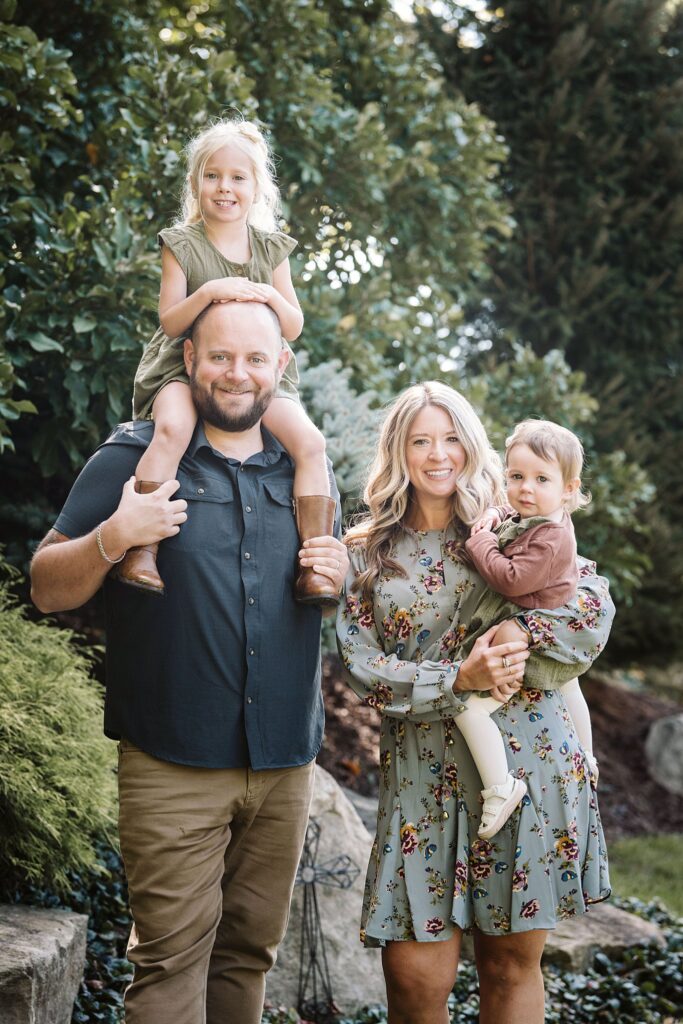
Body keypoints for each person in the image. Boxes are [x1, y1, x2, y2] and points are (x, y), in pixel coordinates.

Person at [30, 300, 349, 1024]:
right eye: (220, 357)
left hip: (281, 765)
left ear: (281, 366)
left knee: (246, 959)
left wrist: (343, 568)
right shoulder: (132, 457)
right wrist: (116, 536)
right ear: (191, 361)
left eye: (255, 358)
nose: (237, 375)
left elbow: (329, 579)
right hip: (172, 763)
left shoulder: (305, 472)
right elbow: (46, 587)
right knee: (171, 966)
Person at [336, 382, 613, 1024]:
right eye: (420, 440)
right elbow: (362, 669)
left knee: (510, 967)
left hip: (523, 767)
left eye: (453, 436)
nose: (439, 454)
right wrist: (457, 678)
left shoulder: (516, 521)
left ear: (473, 443)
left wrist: (523, 633)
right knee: (412, 982)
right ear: (397, 451)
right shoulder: (368, 554)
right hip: (420, 781)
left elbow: (591, 607)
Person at [118, 116, 334, 604]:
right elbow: (172, 321)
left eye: (238, 177)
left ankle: (316, 566)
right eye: (213, 175)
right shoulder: (182, 244)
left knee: (310, 442)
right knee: (172, 428)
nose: (224, 187)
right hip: (184, 364)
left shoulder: (271, 248)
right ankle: (142, 550)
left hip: (257, 371)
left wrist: (268, 299)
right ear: (196, 183)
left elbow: (294, 324)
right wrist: (212, 292)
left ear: (257, 187)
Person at [450, 418, 598, 840]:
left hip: (529, 630)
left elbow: (510, 578)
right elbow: (510, 510)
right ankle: (586, 754)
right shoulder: (539, 514)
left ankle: (500, 786)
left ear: (569, 488)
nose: (525, 489)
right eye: (516, 476)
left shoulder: (551, 539)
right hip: (541, 624)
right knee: (568, 683)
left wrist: (481, 543)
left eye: (540, 479)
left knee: (470, 708)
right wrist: (495, 512)